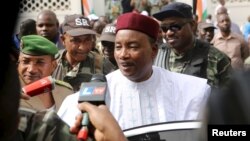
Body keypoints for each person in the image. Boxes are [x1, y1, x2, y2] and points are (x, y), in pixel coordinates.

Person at [58, 12, 211, 130]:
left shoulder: (190, 90)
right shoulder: (94, 93)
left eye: (133, 47)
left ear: (153, 50)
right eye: (118, 47)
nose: (123, 55)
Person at [152, 2, 232, 87]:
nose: (169, 33)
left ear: (193, 25)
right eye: (164, 28)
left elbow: (232, 97)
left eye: (175, 27)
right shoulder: (156, 55)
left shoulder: (217, 59)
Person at [18, 35, 73, 111]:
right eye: (25, 61)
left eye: (40, 62)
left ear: (53, 65)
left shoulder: (65, 91)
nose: (31, 69)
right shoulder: (8, 92)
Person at [52, 14, 103, 92]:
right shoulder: (51, 63)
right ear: (63, 40)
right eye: (75, 40)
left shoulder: (101, 63)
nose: (83, 47)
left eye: (87, 39)